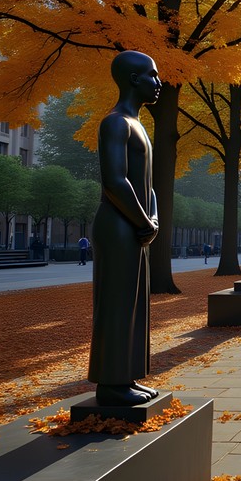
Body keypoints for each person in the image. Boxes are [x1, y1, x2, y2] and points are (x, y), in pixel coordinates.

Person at [88, 51, 162, 407]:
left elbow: (146, 184)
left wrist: (153, 217)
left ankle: (126, 376)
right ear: (134, 80)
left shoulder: (137, 126)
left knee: (133, 304)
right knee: (117, 303)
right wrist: (144, 221)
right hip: (118, 225)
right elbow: (115, 182)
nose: (159, 82)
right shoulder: (115, 123)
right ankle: (111, 384)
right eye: (152, 75)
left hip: (134, 225)